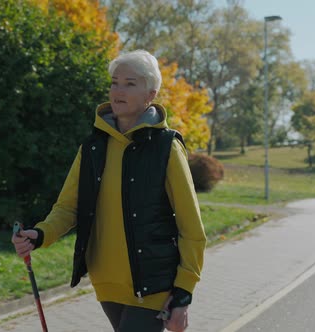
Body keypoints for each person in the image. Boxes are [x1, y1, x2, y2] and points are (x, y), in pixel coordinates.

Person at [12, 50, 206, 332]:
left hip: (151, 283)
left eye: (130, 83)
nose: (118, 90)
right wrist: (40, 234)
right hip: (106, 282)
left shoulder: (166, 147)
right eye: (115, 82)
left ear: (150, 94)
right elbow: (68, 207)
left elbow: (192, 226)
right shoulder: (93, 147)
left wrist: (184, 292)